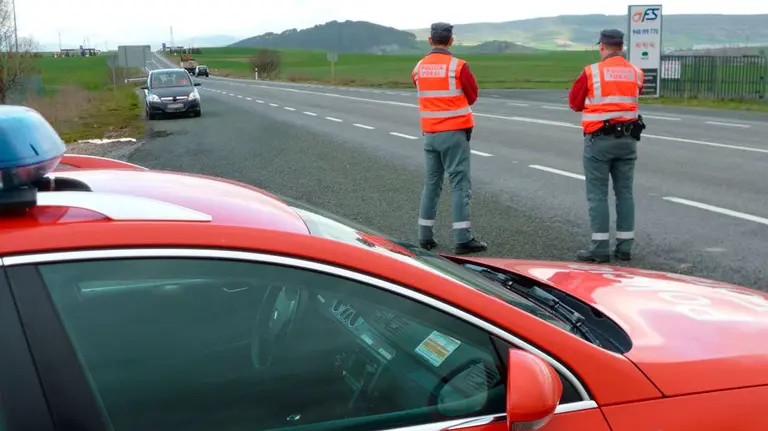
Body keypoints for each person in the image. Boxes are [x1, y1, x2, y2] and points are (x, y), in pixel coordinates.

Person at [568, 29, 646, 263]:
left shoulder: (591, 72)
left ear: (602, 46)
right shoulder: (636, 72)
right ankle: (625, 247)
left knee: (598, 194)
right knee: (625, 192)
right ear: (621, 47)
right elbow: (634, 94)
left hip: (599, 141)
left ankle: (599, 248)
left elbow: (574, 103)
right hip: (628, 141)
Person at [413, 22, 487, 255]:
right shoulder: (458, 66)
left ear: (430, 40)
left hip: (430, 133)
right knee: (459, 185)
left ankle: (424, 235)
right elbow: (472, 96)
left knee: (432, 184)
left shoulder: (419, 67)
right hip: (454, 132)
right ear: (451, 40)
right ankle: (462, 238)